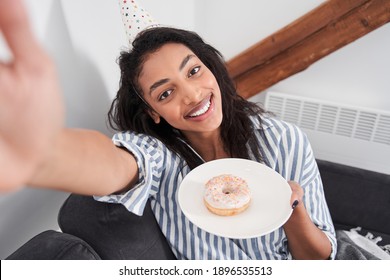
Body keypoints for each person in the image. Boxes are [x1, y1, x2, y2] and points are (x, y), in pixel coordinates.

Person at [0, 0, 336, 259]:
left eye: (193, 71)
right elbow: (115, 165)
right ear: (153, 112)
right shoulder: (158, 157)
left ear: (212, 69)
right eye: (165, 92)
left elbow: (320, 257)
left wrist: (292, 211)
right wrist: (42, 151)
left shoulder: (283, 141)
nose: (192, 95)